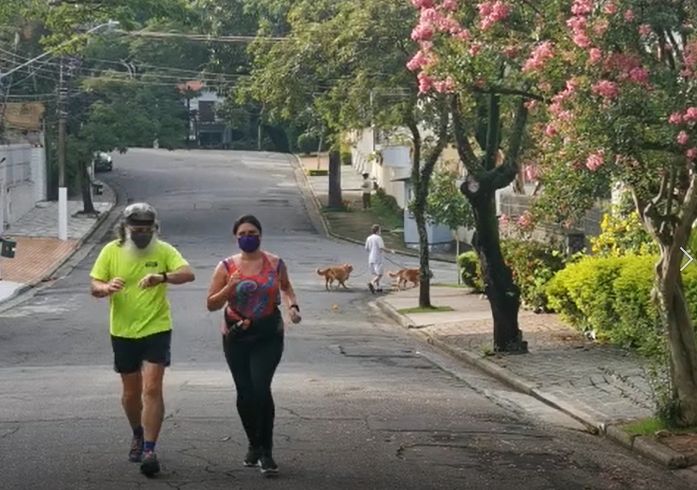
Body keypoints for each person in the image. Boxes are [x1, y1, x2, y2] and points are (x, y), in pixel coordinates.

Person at [90, 202, 195, 477]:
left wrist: (162, 277)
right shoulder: (110, 251)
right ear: (125, 229)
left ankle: (149, 448)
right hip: (123, 331)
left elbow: (188, 273)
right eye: (137, 229)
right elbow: (94, 285)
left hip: (156, 328)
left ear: (155, 229)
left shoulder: (163, 250)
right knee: (131, 394)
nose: (142, 233)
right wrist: (106, 287)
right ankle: (137, 432)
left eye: (147, 229)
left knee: (152, 389)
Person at [206, 214, 301, 478]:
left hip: (268, 333)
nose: (248, 237)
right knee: (245, 392)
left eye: (252, 233)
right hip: (236, 335)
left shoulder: (275, 263)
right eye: (242, 234)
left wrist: (292, 307)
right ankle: (253, 444)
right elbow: (211, 304)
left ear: (260, 235)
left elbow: (286, 288)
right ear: (236, 238)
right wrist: (229, 288)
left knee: (261, 387)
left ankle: (267, 452)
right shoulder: (225, 267)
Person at [365, 224, 393, 293]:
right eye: (380, 230)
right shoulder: (378, 238)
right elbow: (381, 247)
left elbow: (367, 248)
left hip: (371, 258)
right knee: (380, 274)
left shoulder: (369, 238)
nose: (380, 231)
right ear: (378, 231)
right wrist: (390, 251)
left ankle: (378, 287)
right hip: (378, 258)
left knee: (376, 273)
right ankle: (372, 283)